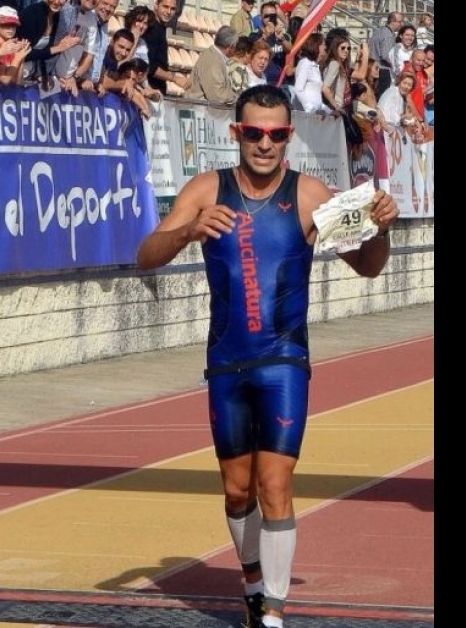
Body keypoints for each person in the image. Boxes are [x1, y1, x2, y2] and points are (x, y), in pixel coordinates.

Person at [135, 84, 398, 628]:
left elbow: (368, 266)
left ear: (289, 136)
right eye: (254, 132)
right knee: (236, 491)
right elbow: (144, 257)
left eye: (276, 134)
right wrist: (187, 231)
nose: (265, 144)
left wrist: (381, 231)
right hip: (227, 361)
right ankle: (253, 582)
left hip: (284, 359)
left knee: (275, 483)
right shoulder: (207, 189)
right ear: (236, 133)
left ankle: (273, 612)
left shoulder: (311, 196)